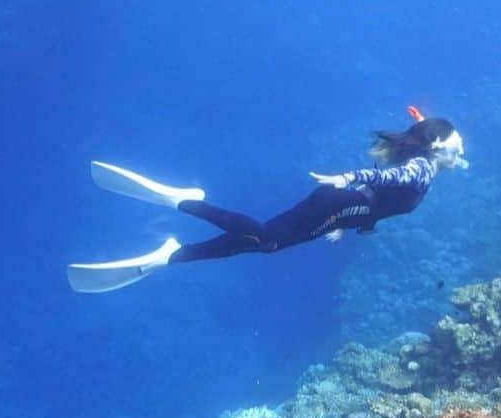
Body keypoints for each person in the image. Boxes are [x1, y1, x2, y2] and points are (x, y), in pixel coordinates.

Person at [67, 106, 468, 292]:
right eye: (456, 148)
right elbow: (387, 178)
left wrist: (354, 225)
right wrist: (347, 179)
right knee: (265, 240)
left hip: (341, 208)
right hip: (337, 202)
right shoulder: (422, 169)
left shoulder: (426, 161)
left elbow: (383, 198)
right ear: (436, 148)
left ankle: (171, 254)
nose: (460, 155)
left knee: (260, 242)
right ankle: (183, 204)